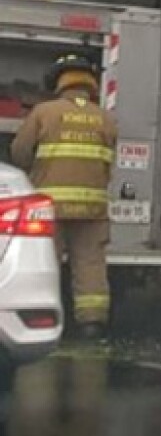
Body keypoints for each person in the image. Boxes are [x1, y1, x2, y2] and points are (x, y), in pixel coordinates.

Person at [9, 54, 119, 338]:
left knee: (47, 260)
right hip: (92, 209)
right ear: (90, 84)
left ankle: (45, 321)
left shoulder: (44, 112)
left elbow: (19, 153)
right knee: (90, 264)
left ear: (59, 81)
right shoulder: (105, 118)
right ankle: (92, 324)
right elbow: (110, 162)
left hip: (50, 207)